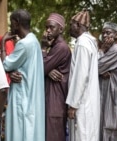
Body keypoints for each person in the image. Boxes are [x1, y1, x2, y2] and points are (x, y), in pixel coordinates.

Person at [0, 9, 45, 141]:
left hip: (23, 97)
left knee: (19, 133)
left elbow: (6, 65)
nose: (10, 26)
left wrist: (3, 44)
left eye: (11, 22)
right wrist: (12, 72)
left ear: (16, 23)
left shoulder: (24, 44)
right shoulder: (34, 40)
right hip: (30, 97)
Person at [66, 10, 100, 141]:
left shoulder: (82, 44)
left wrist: (73, 104)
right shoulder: (89, 43)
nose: (70, 28)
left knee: (82, 135)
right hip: (87, 100)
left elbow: (81, 76)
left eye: (71, 24)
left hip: (82, 102)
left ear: (78, 25)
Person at [41, 13, 72, 141]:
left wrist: (43, 49)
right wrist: (48, 71)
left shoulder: (61, 47)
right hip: (52, 99)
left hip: (56, 101)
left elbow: (40, 69)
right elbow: (44, 68)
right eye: (46, 27)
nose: (48, 30)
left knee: (54, 135)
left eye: (51, 27)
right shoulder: (54, 46)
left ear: (61, 29)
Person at [98, 22, 117, 141]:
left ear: (116, 35)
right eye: (103, 33)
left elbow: (97, 66)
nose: (105, 36)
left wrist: (101, 50)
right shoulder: (108, 51)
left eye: (108, 33)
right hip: (106, 93)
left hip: (113, 95)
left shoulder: (116, 49)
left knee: (110, 127)